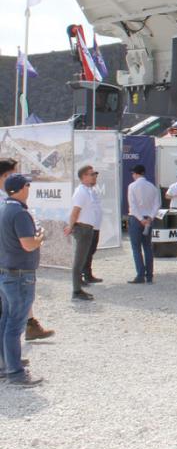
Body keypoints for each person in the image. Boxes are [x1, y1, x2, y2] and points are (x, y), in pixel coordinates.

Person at [0, 158, 54, 341]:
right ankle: (10, 362)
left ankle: (10, 356)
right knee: (10, 315)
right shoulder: (7, 203)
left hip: (9, 262)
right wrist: (37, 238)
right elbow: (25, 241)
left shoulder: (8, 201)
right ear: (5, 175)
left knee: (10, 312)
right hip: (11, 263)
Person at [0, 174, 45, 387]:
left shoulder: (3, 209)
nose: (29, 188)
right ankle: (16, 373)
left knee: (6, 321)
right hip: (20, 274)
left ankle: (6, 364)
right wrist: (40, 237)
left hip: (7, 272)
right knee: (15, 324)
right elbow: (28, 244)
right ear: (21, 188)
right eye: (27, 185)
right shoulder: (19, 212)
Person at [64, 165, 102, 301]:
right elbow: (75, 211)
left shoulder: (89, 191)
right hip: (82, 228)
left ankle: (79, 287)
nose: (94, 176)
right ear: (83, 177)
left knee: (83, 258)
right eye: (91, 174)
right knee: (79, 260)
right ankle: (76, 290)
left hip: (88, 228)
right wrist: (70, 226)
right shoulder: (81, 192)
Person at [127, 164, 161, 284]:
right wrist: (150, 218)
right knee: (147, 247)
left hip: (136, 218)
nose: (132, 175)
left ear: (136, 174)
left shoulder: (132, 186)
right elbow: (157, 204)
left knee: (136, 248)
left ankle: (140, 274)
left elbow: (133, 205)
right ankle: (150, 275)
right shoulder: (152, 187)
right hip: (149, 218)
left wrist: (141, 219)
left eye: (133, 173)